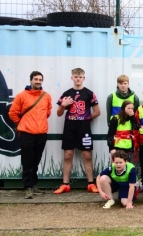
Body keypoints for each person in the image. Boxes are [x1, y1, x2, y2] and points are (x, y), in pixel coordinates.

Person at [53, 68, 100, 195]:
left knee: (87, 155)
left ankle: (91, 183)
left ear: (84, 78)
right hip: (69, 126)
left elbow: (97, 112)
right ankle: (65, 184)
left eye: (80, 77)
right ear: (72, 78)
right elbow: (58, 113)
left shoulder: (89, 93)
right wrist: (63, 105)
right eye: (75, 76)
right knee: (68, 155)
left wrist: (86, 119)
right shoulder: (67, 93)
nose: (78, 79)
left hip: (84, 127)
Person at [8, 71, 53, 199]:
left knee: (36, 160)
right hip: (26, 133)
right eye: (36, 79)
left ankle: (33, 184)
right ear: (31, 80)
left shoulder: (46, 96)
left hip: (42, 133)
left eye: (40, 79)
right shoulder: (21, 96)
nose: (38, 81)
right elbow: (12, 113)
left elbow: (48, 112)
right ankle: (28, 187)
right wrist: (22, 123)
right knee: (27, 161)